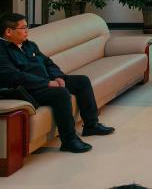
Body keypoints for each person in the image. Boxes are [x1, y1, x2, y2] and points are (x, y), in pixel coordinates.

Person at [0, 13, 114, 153]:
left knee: (82, 81)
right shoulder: (2, 50)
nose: (27, 31)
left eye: (27, 27)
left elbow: (48, 63)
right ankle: (69, 140)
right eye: (23, 28)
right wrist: (47, 83)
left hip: (47, 81)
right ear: (9, 31)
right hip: (28, 89)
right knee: (61, 93)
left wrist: (58, 77)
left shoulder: (29, 45)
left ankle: (91, 125)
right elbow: (14, 76)